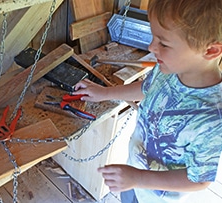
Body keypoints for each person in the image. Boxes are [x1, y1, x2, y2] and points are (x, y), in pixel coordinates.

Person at [73, 0, 222, 202]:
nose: (151, 47)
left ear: (211, 50)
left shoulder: (212, 119)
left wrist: (139, 178)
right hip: (134, 174)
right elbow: (147, 89)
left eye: (164, 43)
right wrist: (105, 93)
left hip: (157, 196)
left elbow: (199, 180)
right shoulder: (169, 69)